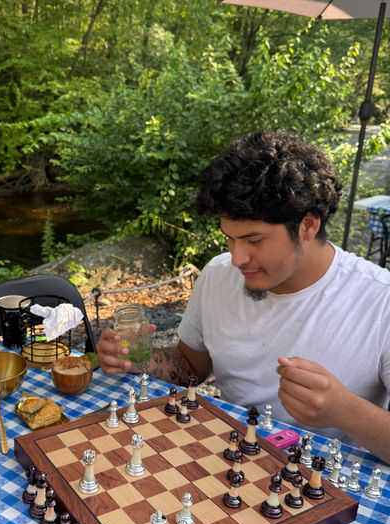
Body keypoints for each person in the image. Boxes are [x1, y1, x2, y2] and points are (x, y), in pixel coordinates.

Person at [98, 130, 390, 464]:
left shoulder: (380, 300)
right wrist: (139, 360)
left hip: (329, 480)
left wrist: (345, 410)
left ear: (308, 226)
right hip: (229, 459)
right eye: (230, 238)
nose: (237, 259)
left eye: (254, 241)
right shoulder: (217, 275)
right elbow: (191, 366)